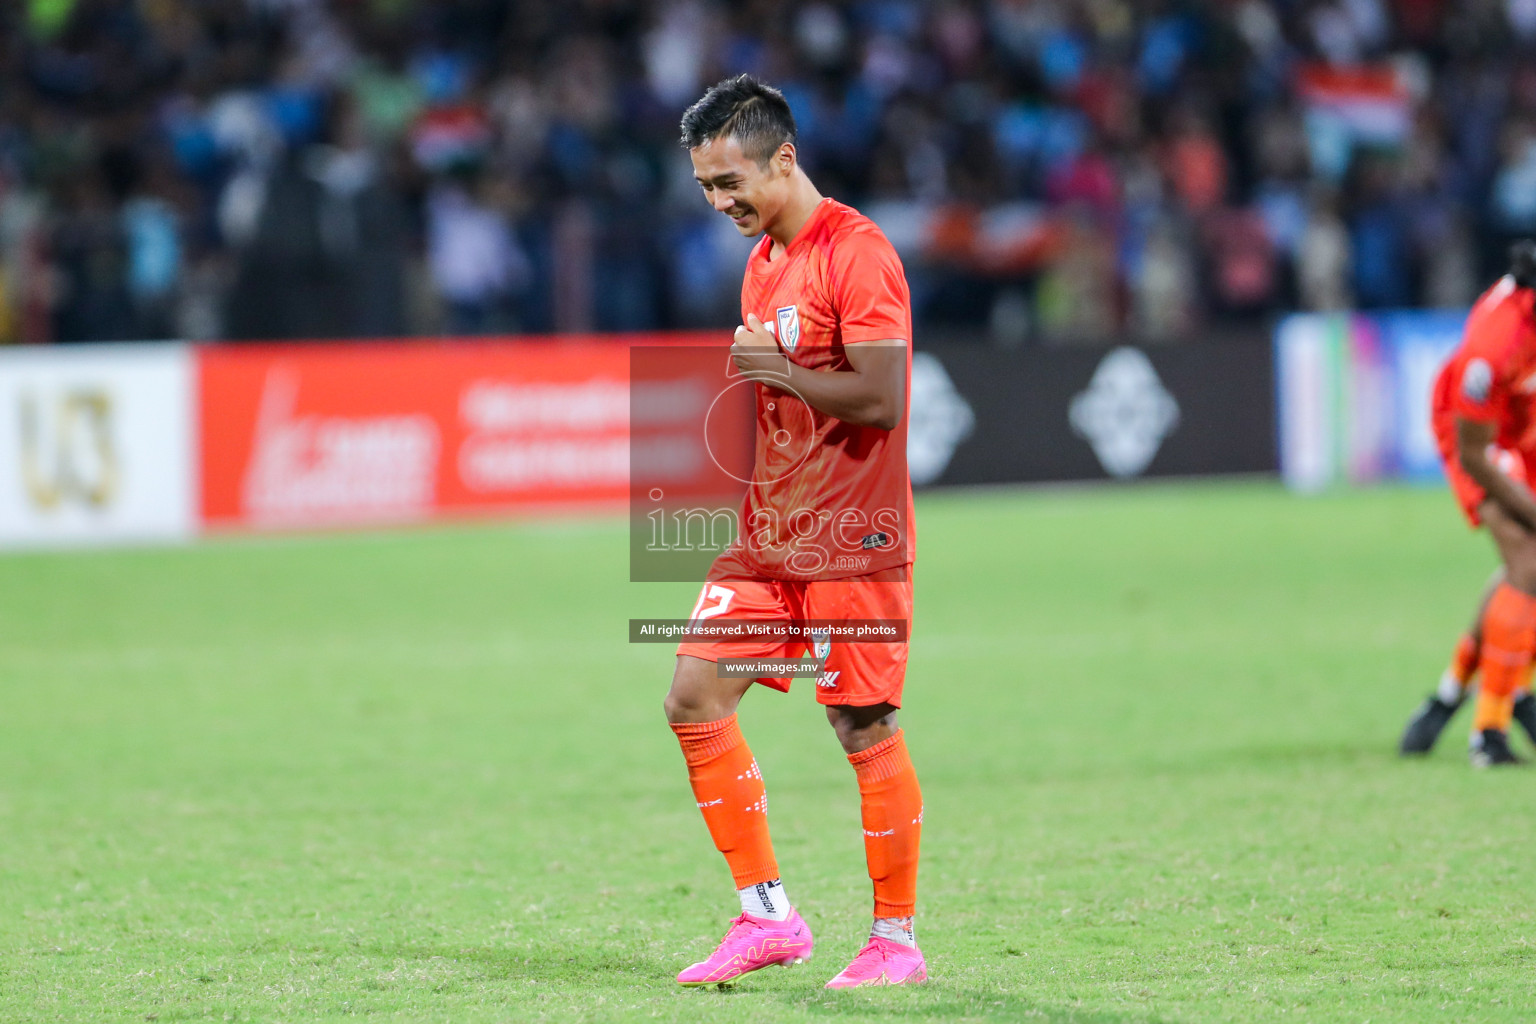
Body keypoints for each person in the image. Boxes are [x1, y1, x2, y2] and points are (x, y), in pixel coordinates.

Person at [662, 75, 926, 988]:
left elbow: (885, 398)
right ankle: (768, 917)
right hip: (769, 531)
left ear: (785, 158)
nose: (718, 202)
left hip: (854, 533)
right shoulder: (764, 256)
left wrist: (780, 369)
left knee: (861, 722)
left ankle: (896, 941)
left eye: (731, 181)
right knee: (693, 698)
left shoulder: (857, 252)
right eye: (705, 186)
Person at [1404, 242, 1536, 766]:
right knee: (1527, 557)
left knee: (1520, 569)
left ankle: (1452, 692)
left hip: (1523, 418)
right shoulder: (1496, 342)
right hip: (1475, 439)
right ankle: (1490, 731)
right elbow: (1475, 454)